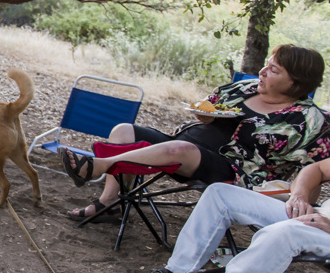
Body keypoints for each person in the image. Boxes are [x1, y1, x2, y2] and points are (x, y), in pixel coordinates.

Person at [62, 44, 330, 219]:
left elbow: (314, 171)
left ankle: (99, 165)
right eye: (266, 65)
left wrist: (301, 207)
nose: (261, 72)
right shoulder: (243, 88)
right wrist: (205, 115)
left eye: (273, 70)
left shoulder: (310, 120)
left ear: (297, 82)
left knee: (182, 150)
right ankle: (111, 204)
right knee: (124, 130)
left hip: (234, 172)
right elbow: (209, 106)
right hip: (183, 142)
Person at [113, 159, 330, 273]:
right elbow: (317, 169)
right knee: (220, 194)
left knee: (283, 234)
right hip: (321, 216)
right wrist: (299, 195)